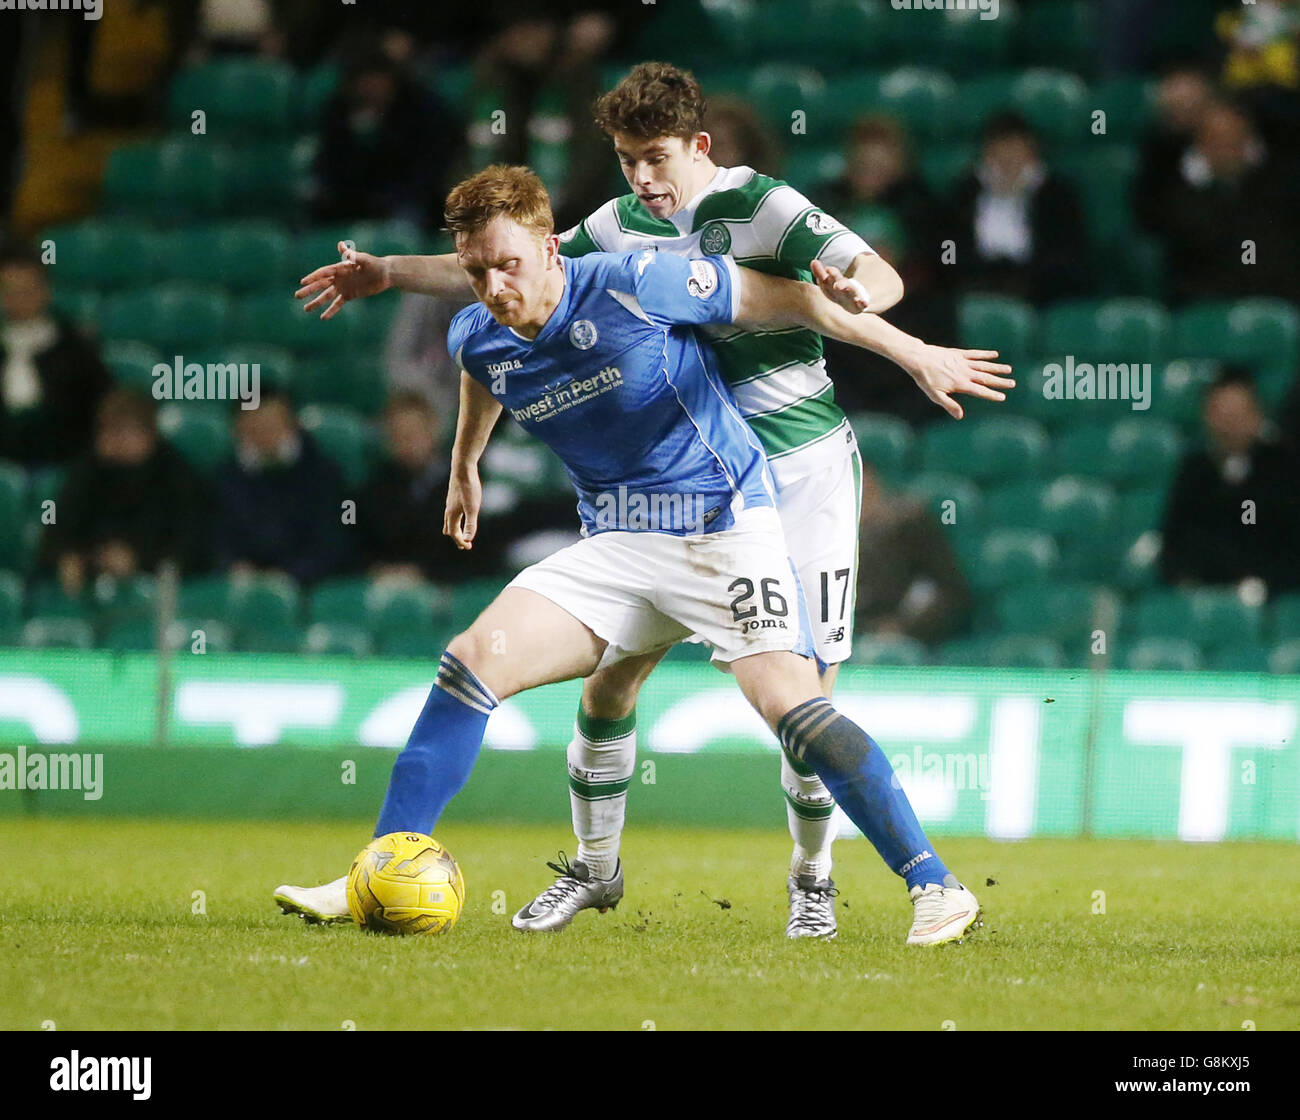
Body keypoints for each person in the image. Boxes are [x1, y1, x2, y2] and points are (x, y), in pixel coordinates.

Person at [294, 63, 1011, 941]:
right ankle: (392, 866)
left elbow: (808, 298)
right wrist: (462, 459)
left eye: (655, 156)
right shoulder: (550, 273)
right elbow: (484, 335)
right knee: (491, 665)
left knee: (797, 704)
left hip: (744, 502)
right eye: (626, 159)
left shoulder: (701, 245)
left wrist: (913, 349)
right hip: (624, 534)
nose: (641, 175)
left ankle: (907, 882)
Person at [42, 388, 208, 595]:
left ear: (149, 434)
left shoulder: (180, 478)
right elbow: (53, 523)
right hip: (89, 585)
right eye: (105, 430)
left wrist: (139, 561)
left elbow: (191, 548)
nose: (111, 440)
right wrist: (67, 556)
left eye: (121, 431)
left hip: (156, 591)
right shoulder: (85, 472)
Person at [1160, 372, 1300, 593]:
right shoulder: (1194, 470)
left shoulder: (1284, 468)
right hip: (1202, 593)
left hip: (1268, 595)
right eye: (1221, 415)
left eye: (1238, 415)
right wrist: (1183, 578)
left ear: (1257, 416)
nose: (1229, 425)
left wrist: (1266, 584)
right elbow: (1175, 537)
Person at [947, 111, 1090, 305]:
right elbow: (949, 250)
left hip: (1040, 288)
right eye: (998, 148)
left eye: (1014, 147)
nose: (1006, 157)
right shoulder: (965, 192)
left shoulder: (1057, 194)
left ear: (1031, 149)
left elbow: (1068, 253)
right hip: (978, 283)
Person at [213, 391, 354, 585]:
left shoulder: (327, 476)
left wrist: (291, 575)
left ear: (291, 424)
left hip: (310, 588)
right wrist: (233, 565)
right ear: (239, 428)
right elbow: (217, 538)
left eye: (271, 425)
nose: (264, 435)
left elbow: (337, 541)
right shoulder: (224, 479)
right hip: (243, 586)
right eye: (255, 427)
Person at [0, 244, 111, 466]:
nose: (20, 299)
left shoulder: (76, 346)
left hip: (65, 461)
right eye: (11, 290)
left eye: (28, 289)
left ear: (46, 290)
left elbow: (99, 407)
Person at [854, 462, 972, 646]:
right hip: (846, 630)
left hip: (902, 633)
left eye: (865, 492)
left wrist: (903, 626)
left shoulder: (910, 524)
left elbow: (943, 587)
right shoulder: (823, 532)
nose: (860, 501)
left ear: (877, 489)